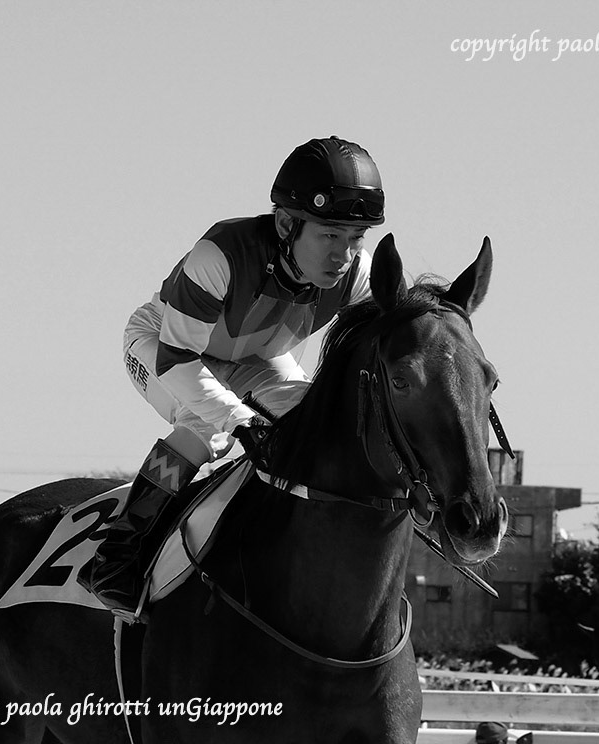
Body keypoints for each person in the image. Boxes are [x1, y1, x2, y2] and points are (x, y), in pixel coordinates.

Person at [78, 136, 385, 622]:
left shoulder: (357, 275)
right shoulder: (219, 254)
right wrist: (240, 417)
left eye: (355, 237)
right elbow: (177, 362)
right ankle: (118, 551)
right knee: (211, 427)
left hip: (261, 359)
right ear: (287, 222)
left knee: (314, 424)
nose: (343, 255)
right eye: (330, 235)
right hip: (167, 347)